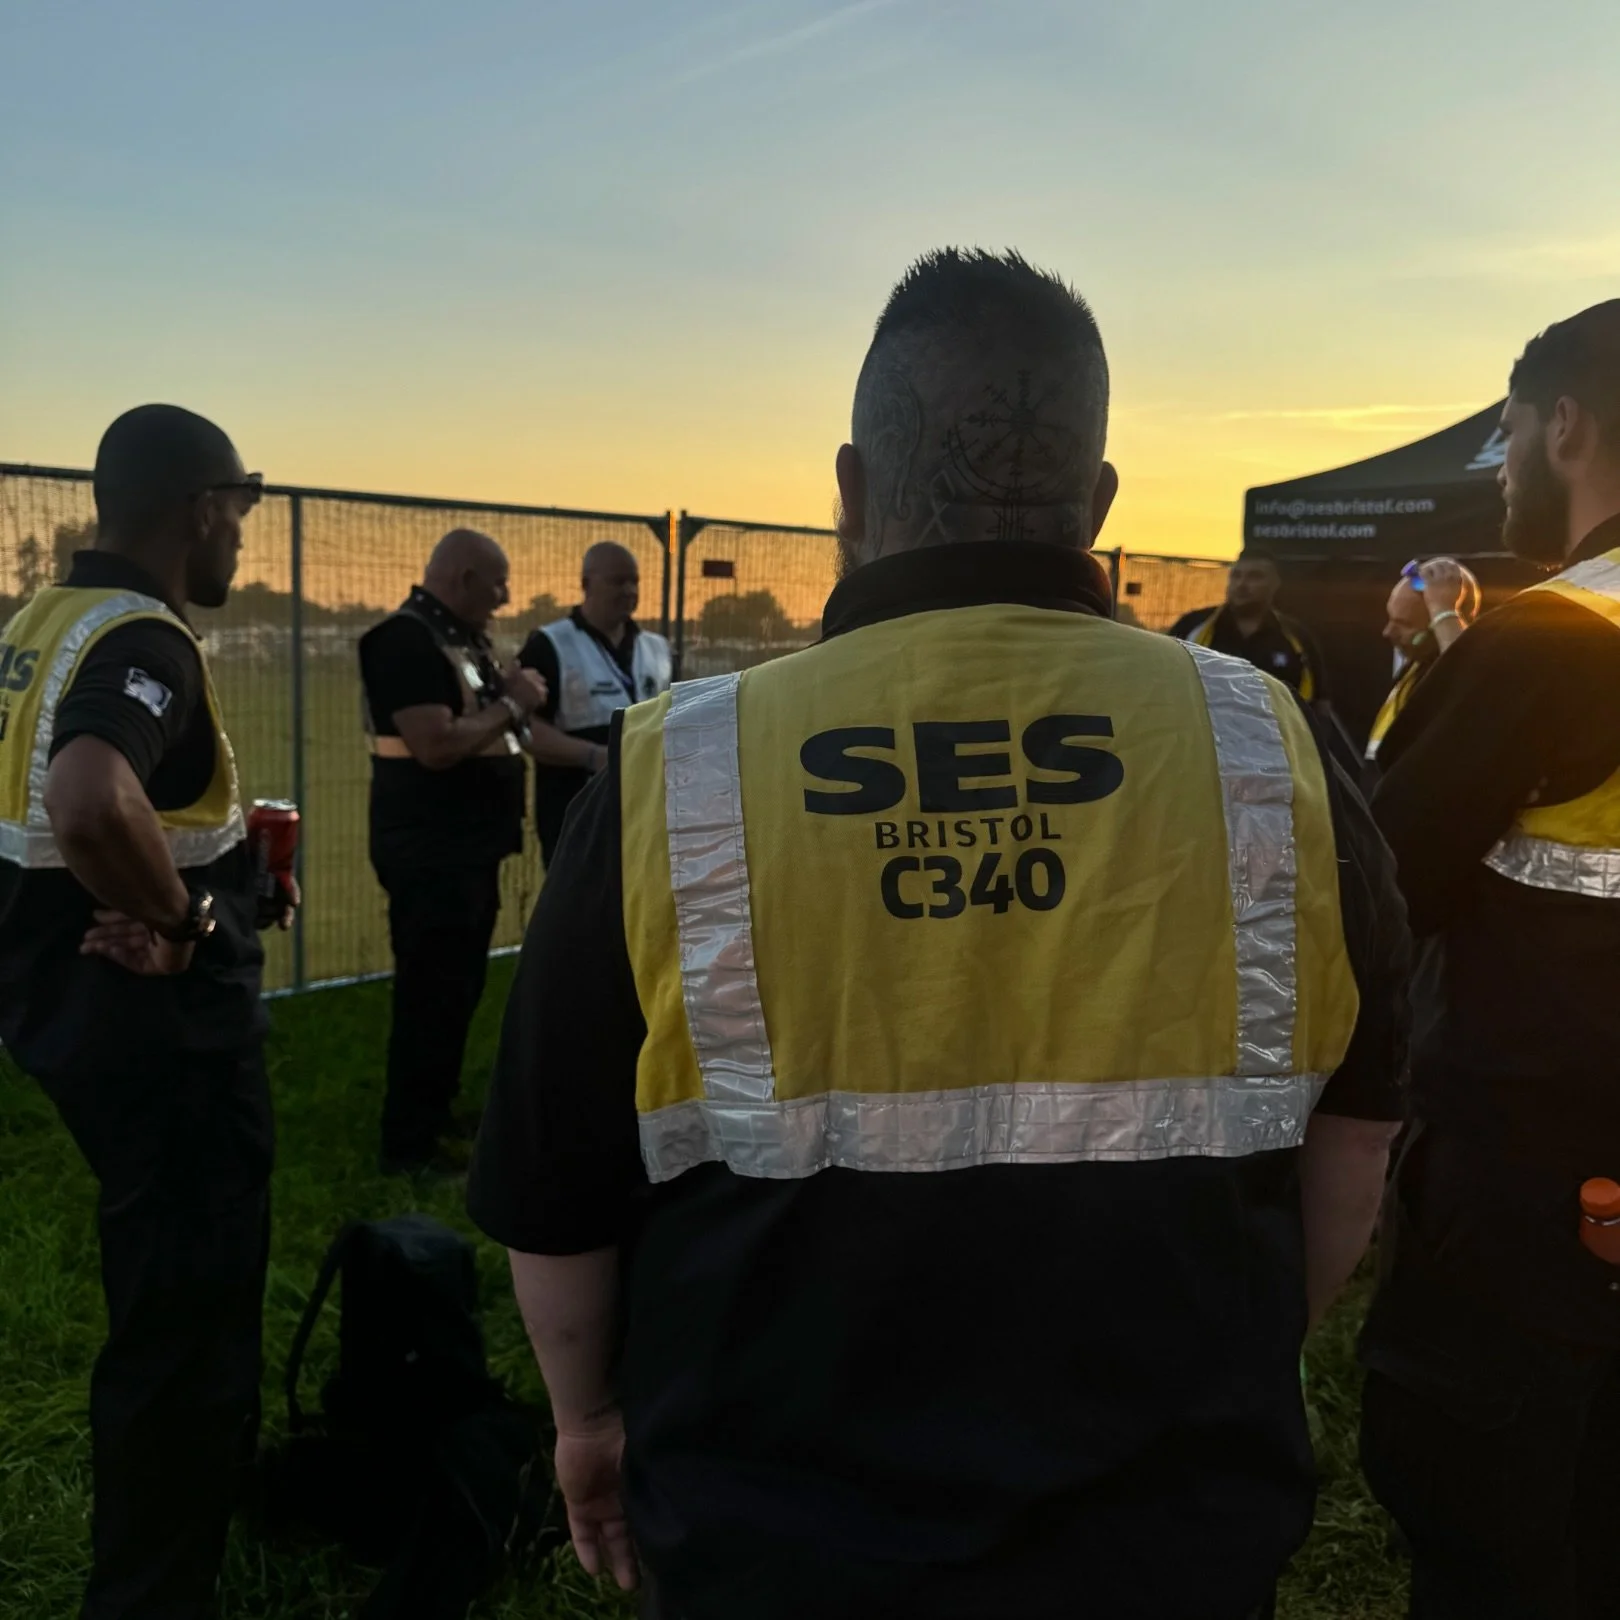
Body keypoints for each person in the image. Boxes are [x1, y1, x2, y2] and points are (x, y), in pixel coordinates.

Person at [469, 249, 1409, 1620]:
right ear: (1098, 506)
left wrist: (588, 1422)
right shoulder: (1274, 747)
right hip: (1164, 1538)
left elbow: (554, 1182)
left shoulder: (680, 769)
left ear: (849, 492)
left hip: (772, 1541)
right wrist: (1243, 1366)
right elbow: (1358, 1139)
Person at [0, 404, 293, 1620]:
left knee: (169, 1292)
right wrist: (182, 920)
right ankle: (152, 1592)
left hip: (64, 1012)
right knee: (184, 1327)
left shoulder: (38, 623)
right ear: (201, 507)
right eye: (242, 510)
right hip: (160, 1036)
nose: (243, 536)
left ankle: (206, 1503)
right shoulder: (142, 638)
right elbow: (86, 796)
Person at [1359, 300, 1620, 1619]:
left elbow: (1381, 880)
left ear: (1566, 425)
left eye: (1510, 434)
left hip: (1533, 1216)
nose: (1504, 468)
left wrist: (1425, 672)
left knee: (1502, 1544)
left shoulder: (1553, 639)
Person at [357, 530, 547, 1176]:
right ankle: (407, 1143)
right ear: (464, 578)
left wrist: (508, 697)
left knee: (457, 990)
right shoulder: (404, 641)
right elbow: (436, 745)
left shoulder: (460, 638)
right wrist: (514, 702)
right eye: (497, 583)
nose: (505, 597)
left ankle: (435, 1111)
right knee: (429, 995)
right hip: (429, 852)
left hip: (467, 849)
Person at [517, 542, 671, 865]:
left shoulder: (658, 648)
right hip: (576, 817)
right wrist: (594, 756)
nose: (629, 591)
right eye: (617, 581)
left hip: (647, 816)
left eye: (634, 581)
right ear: (586, 584)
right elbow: (525, 728)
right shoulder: (550, 644)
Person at [1362, 556, 1481, 792]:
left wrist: (1444, 610)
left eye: (1404, 624)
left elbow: (1468, 677)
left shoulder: (1448, 673)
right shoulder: (1414, 668)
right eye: (1390, 619)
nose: (1388, 632)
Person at [1169, 548, 1329, 700]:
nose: (1242, 584)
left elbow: (1318, 703)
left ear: (1275, 583)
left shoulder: (1297, 637)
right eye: (1236, 575)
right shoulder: (1192, 626)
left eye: (1255, 577)